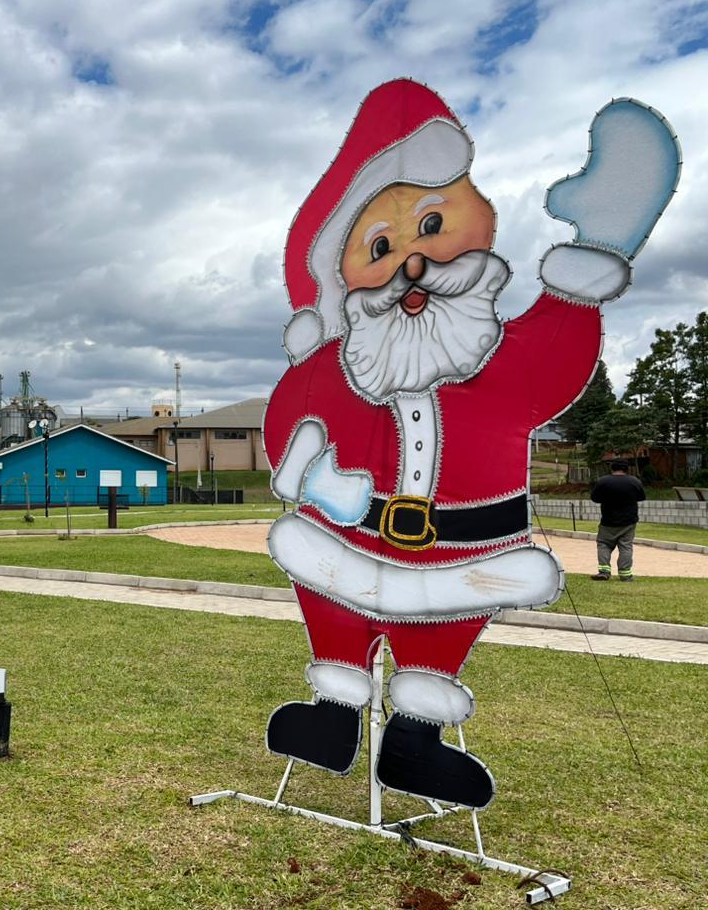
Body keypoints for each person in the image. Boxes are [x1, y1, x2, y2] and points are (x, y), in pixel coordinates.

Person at [261, 80, 679, 810]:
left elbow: (550, 367)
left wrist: (591, 260)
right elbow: (287, 427)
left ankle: (415, 744)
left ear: (475, 218)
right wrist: (315, 479)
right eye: (382, 246)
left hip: (464, 549)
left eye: (433, 223)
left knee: (436, 640)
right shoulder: (337, 362)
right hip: (342, 536)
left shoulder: (494, 350)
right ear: (345, 271)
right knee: (334, 616)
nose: (411, 265)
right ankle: (331, 719)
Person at [590, 460, 646, 582]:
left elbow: (595, 498)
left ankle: (604, 571)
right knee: (626, 547)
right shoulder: (634, 481)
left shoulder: (603, 481)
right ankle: (625, 574)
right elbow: (641, 497)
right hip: (629, 521)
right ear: (627, 469)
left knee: (603, 544)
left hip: (608, 521)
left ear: (612, 468)